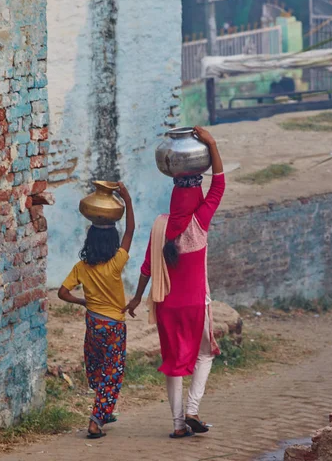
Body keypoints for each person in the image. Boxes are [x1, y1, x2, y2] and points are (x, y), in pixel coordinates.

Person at [124, 127, 225, 439]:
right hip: (196, 305)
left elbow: (145, 268)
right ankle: (192, 409)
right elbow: (219, 186)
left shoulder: (160, 227)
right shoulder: (199, 221)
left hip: (166, 306)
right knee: (205, 354)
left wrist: (138, 298)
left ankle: (178, 425)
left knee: (174, 363)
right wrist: (211, 144)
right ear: (195, 198)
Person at [58, 183, 134, 440]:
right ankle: (95, 422)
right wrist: (128, 201)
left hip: (93, 323)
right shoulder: (116, 264)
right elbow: (131, 231)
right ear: (113, 241)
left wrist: (82, 302)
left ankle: (104, 411)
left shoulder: (81, 267)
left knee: (98, 368)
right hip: (114, 326)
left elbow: (62, 292)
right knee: (112, 374)